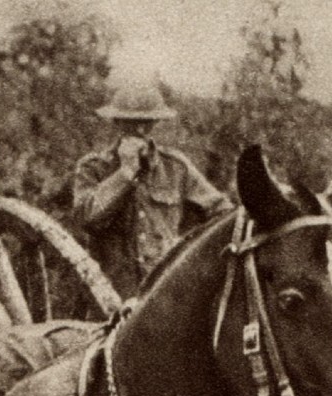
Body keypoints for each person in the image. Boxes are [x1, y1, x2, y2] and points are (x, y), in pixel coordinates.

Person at [72, 84, 233, 298]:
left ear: (156, 123)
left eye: (146, 122)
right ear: (117, 123)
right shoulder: (93, 168)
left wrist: (192, 254)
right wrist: (125, 172)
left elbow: (223, 213)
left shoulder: (176, 167)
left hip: (164, 296)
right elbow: (85, 218)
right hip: (110, 297)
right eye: (131, 123)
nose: (140, 130)